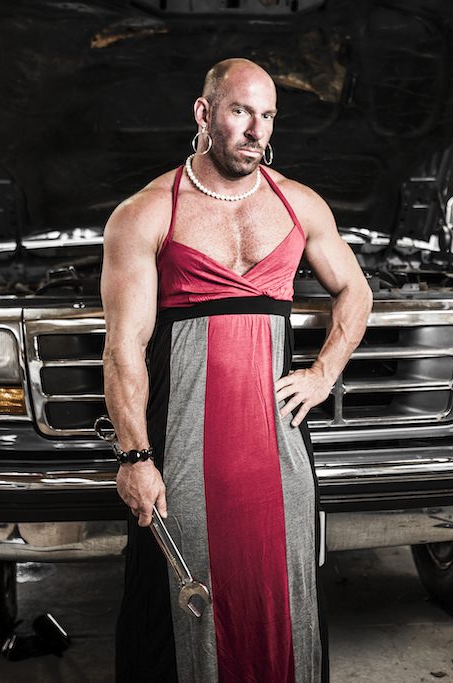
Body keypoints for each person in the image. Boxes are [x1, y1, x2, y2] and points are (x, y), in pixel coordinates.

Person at [101, 57, 372, 682]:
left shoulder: (299, 205)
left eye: (268, 115)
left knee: (288, 596)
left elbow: (355, 293)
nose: (257, 130)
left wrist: (323, 373)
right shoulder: (147, 212)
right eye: (241, 111)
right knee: (183, 606)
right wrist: (136, 457)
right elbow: (124, 346)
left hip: (280, 450)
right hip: (186, 453)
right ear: (204, 113)